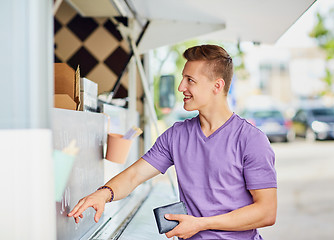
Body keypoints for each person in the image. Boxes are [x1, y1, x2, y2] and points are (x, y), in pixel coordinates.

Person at [68, 44, 277, 240]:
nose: (180, 87)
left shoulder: (251, 139)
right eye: (182, 78)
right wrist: (103, 194)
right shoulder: (176, 135)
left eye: (190, 80)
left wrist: (201, 224)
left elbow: (266, 212)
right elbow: (133, 176)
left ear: (217, 86)